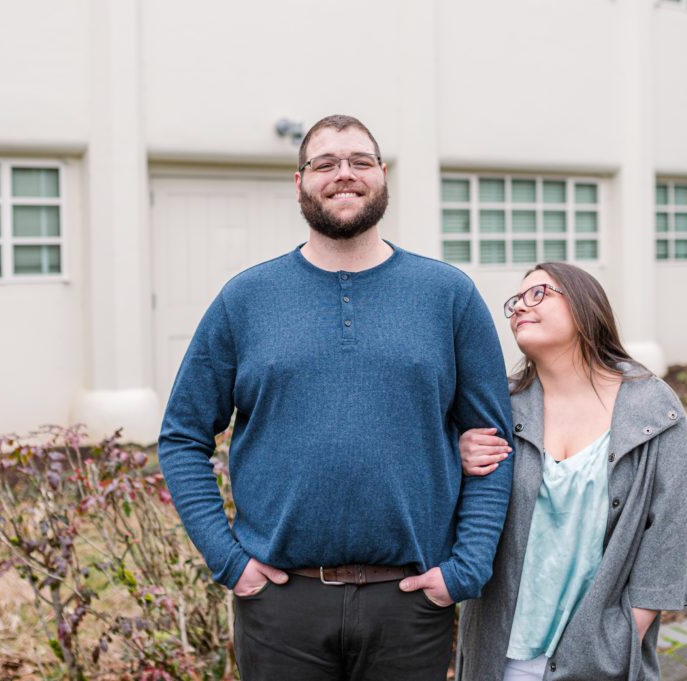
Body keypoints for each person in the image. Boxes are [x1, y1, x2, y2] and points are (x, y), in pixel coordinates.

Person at [158, 114, 514, 681]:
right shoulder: (246, 299)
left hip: (411, 601)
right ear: (298, 182)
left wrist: (463, 571)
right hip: (280, 604)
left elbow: (495, 443)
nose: (343, 175)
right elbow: (182, 437)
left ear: (382, 176)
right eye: (325, 163)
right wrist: (229, 562)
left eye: (359, 161)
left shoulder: (447, 295)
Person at [455, 262, 687, 681]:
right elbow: (457, 514)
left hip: (597, 658)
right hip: (501, 656)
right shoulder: (500, 406)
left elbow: (673, 529)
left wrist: (621, 637)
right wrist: (456, 457)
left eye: (538, 293)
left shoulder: (653, 409)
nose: (518, 309)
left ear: (586, 306)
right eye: (514, 302)